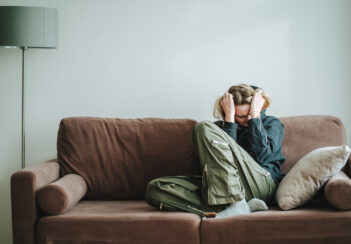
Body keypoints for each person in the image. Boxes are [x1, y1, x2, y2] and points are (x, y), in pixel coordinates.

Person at [145, 84, 286, 218]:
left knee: (203, 127)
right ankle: (238, 206)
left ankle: (235, 203)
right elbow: (216, 166)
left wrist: (255, 116)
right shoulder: (217, 130)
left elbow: (262, 158)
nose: (248, 121)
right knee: (156, 189)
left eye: (250, 114)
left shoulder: (272, 123)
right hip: (225, 187)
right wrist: (229, 121)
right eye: (242, 117)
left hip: (260, 185)